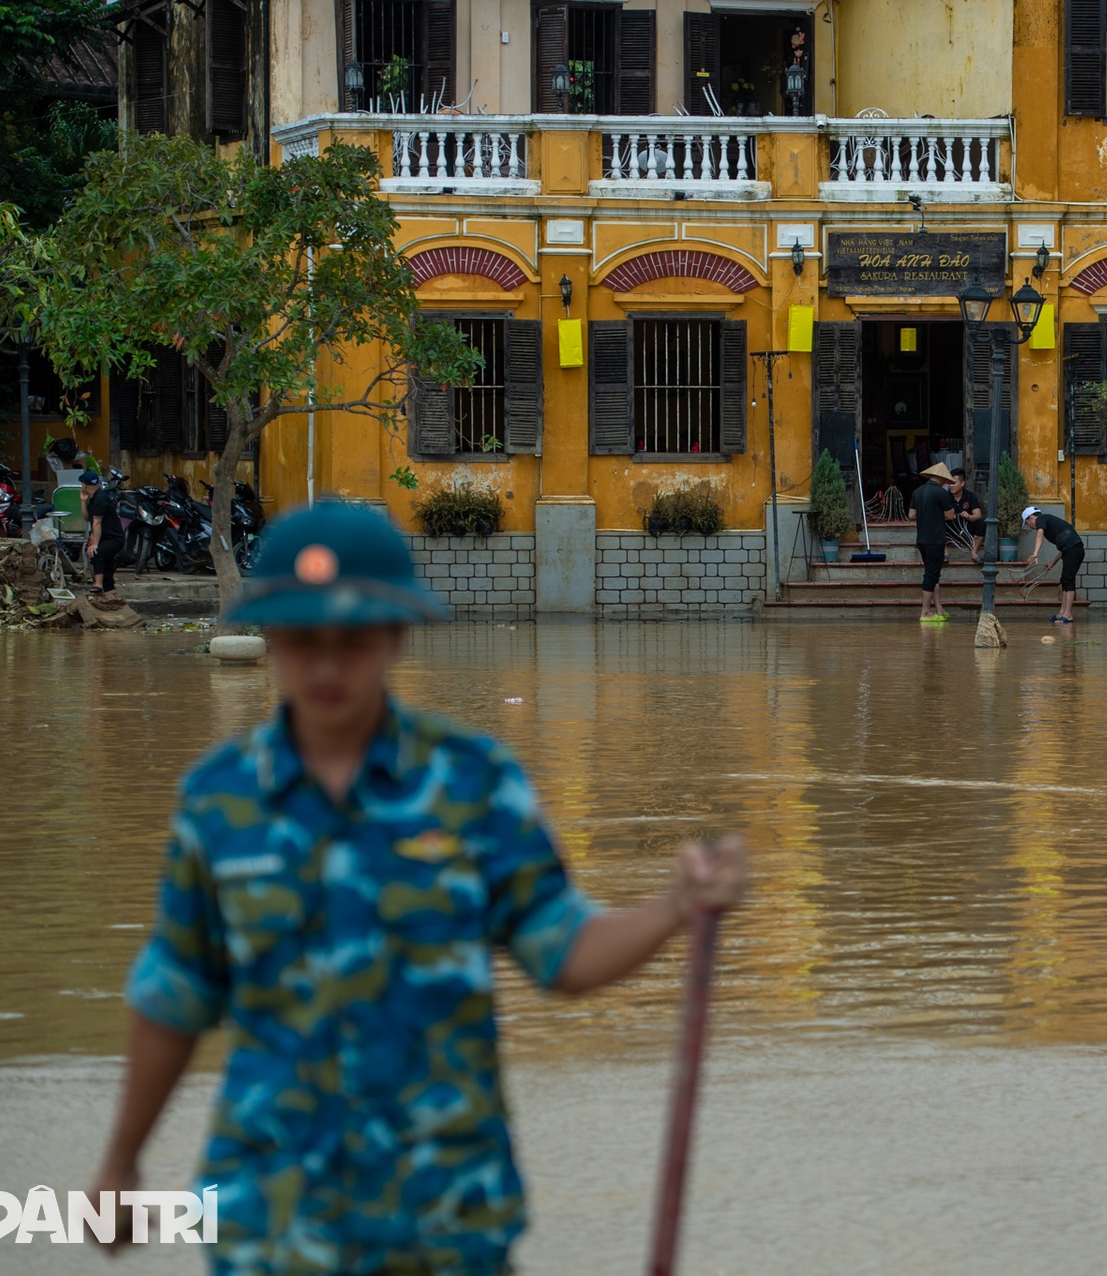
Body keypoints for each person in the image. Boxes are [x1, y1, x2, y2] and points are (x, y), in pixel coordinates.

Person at [91, 502, 750, 1273]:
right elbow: (175, 996)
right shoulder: (219, 802)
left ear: (397, 636)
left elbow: (563, 952)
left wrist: (675, 908)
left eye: (353, 641)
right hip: (271, 1222)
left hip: (446, 1224)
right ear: (269, 639)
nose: (327, 667)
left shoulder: (473, 784)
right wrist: (121, 1163)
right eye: (303, 641)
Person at [907, 461, 958, 622]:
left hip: (921, 539)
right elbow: (951, 516)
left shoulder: (917, 491)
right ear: (942, 479)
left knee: (933, 573)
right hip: (935, 540)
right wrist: (938, 513)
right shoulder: (941, 493)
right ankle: (925, 612)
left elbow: (911, 515)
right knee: (931, 575)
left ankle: (939, 609)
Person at [1020, 505, 1084, 625]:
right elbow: (1065, 547)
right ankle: (1062, 613)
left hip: (1074, 550)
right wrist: (1053, 562)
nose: (1030, 527)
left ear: (1031, 518)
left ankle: (1068, 614)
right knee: (1065, 579)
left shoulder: (1042, 519)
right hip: (1071, 549)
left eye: (1028, 523)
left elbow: (1040, 532)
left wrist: (1035, 553)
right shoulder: (1049, 522)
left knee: (1068, 579)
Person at [80, 469, 122, 595]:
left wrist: (95, 544)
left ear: (84, 485)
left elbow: (97, 523)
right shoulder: (94, 498)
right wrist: (83, 501)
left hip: (114, 538)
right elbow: (87, 518)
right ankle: (110, 592)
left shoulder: (101, 498)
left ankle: (97, 584)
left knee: (96, 553)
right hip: (105, 538)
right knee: (107, 567)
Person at [948, 469, 984, 562]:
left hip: (966, 528)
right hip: (950, 529)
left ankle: (974, 552)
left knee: (981, 523)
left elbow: (978, 515)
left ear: (962, 483)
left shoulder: (970, 496)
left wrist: (969, 516)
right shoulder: (945, 496)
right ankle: (944, 554)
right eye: (949, 483)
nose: (951, 486)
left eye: (954, 483)